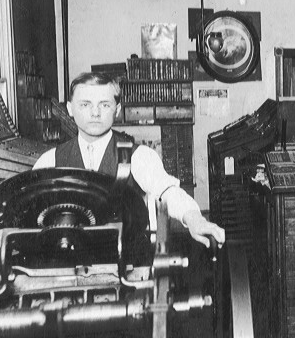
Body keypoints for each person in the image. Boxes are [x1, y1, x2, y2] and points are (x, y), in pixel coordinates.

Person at [34, 72, 225, 249]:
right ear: (70, 109)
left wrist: (194, 219)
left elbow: (167, 191)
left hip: (126, 264)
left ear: (116, 110)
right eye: (85, 104)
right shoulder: (50, 160)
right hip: (66, 262)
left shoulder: (139, 156)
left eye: (104, 105)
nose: (95, 113)